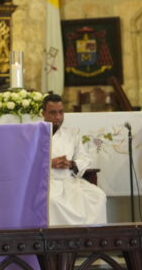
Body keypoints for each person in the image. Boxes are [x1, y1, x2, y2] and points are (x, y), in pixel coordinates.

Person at [42, 93, 107, 226]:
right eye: (53, 113)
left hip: (70, 181)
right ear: (43, 113)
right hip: (49, 182)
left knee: (99, 196)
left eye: (61, 112)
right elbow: (27, 162)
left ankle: (89, 241)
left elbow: (84, 157)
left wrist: (72, 164)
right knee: (53, 201)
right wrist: (50, 163)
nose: (58, 117)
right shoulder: (35, 134)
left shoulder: (72, 133)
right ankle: (58, 241)